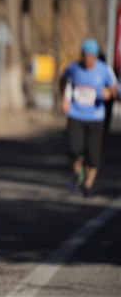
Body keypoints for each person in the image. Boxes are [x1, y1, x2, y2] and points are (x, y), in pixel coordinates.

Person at [59, 38, 116, 198]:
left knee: (93, 154)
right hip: (76, 114)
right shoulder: (73, 67)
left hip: (95, 117)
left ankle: (88, 184)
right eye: (85, 55)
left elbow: (114, 88)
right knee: (74, 150)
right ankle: (78, 173)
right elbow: (63, 79)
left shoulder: (104, 70)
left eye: (91, 56)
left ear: (95, 57)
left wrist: (109, 93)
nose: (87, 59)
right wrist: (64, 98)